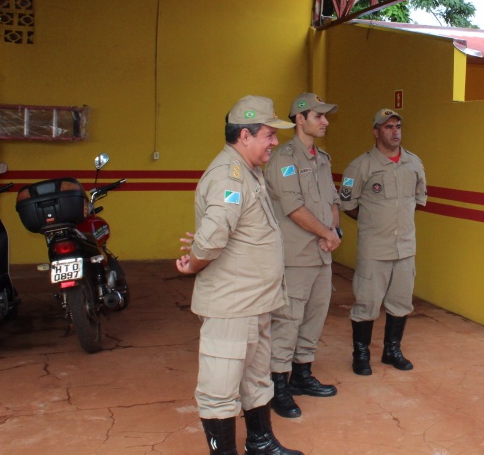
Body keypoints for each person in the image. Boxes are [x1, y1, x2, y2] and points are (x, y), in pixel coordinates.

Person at [176, 95, 303, 455]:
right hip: (232, 305)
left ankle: (261, 443)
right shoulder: (228, 176)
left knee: (256, 380)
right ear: (245, 135)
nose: (274, 142)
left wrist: (202, 249)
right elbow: (213, 238)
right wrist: (193, 263)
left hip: (255, 302)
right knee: (220, 389)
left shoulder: (249, 171)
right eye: (269, 135)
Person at [264, 93, 342, 419]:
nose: (325, 122)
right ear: (300, 118)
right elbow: (293, 207)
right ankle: (277, 386)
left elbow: (333, 200)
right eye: (318, 116)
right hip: (295, 255)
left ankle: (302, 374)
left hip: (322, 253)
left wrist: (333, 232)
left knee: (315, 316)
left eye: (326, 116)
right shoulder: (283, 158)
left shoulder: (322, 158)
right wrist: (326, 234)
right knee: (288, 320)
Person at [339, 108, 427, 376]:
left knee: (401, 302)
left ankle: (392, 351)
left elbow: (417, 200)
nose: (395, 132)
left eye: (397, 126)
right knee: (366, 303)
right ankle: (361, 354)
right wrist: (372, 221)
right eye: (388, 127)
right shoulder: (360, 166)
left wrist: (397, 222)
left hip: (405, 248)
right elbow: (347, 204)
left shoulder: (414, 163)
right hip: (374, 249)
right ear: (376, 132)